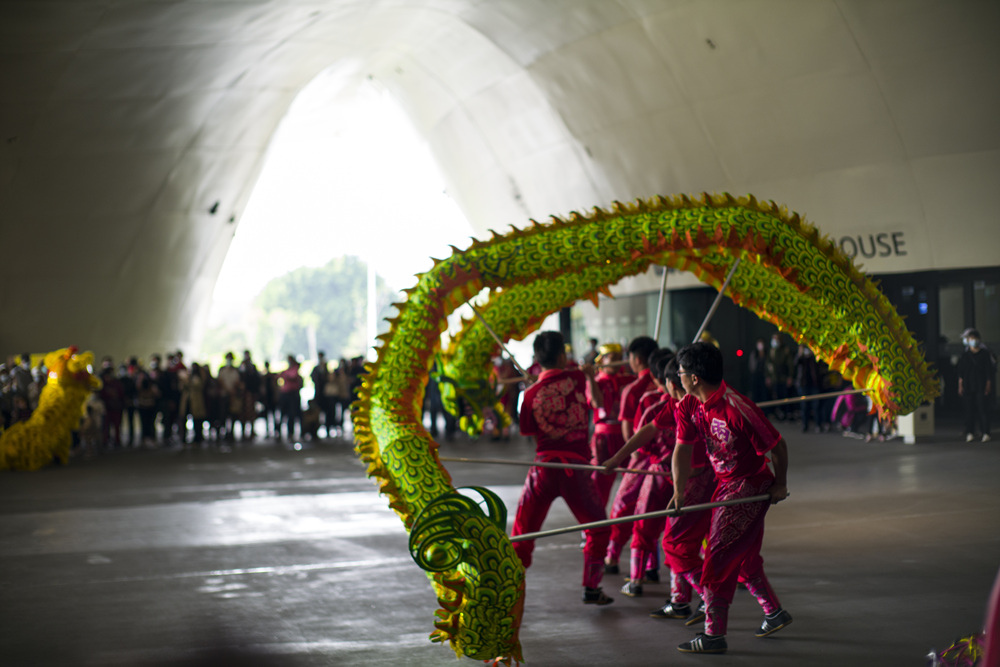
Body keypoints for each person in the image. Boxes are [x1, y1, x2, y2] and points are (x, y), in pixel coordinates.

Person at [669, 342, 791, 654]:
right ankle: (774, 612)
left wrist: (779, 484)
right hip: (725, 486)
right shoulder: (688, 406)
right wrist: (678, 490)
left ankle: (713, 636)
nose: (678, 378)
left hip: (748, 486)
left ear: (694, 378)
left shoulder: (737, 407)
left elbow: (777, 447)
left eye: (681, 373)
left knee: (717, 558)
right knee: (744, 557)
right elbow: (681, 449)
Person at [603, 354, 715, 614]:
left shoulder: (708, 406)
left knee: (674, 543)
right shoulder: (682, 405)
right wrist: (617, 457)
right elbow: (649, 430)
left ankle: (709, 598)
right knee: (679, 544)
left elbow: (678, 450)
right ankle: (682, 600)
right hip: (694, 480)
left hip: (693, 482)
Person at [510, 330, 614, 606]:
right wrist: (590, 374)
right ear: (562, 355)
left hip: (543, 469)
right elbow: (598, 404)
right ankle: (592, 587)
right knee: (599, 527)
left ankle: (510, 588)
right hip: (576, 471)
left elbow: (529, 433)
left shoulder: (530, 394)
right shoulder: (578, 378)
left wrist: (538, 388)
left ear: (537, 358)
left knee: (523, 533)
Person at [604, 335, 659, 574]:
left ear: (636, 359)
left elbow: (628, 431)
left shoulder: (634, 390)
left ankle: (613, 558)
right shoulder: (667, 383)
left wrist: (631, 454)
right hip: (672, 457)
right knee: (658, 512)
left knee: (623, 508)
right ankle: (652, 565)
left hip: (643, 458)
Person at [586, 343, 634, 506]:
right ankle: (594, 527)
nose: (617, 362)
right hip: (604, 437)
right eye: (613, 358)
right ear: (603, 360)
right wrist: (590, 378)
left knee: (633, 477)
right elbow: (596, 402)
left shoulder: (626, 379)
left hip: (625, 435)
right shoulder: (597, 381)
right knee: (600, 482)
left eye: (619, 358)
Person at [957, 328, 995, 442]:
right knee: (969, 409)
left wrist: (988, 384)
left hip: (981, 384)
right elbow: (961, 372)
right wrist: (960, 385)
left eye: (974, 338)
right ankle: (970, 432)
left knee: (982, 408)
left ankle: (986, 432)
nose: (972, 341)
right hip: (968, 385)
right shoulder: (965, 355)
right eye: (970, 339)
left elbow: (989, 371)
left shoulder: (984, 354)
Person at [765, 334, 794, 419]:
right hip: (775, 378)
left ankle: (787, 413)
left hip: (783, 378)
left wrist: (790, 376)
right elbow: (767, 365)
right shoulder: (771, 351)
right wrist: (768, 376)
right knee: (776, 396)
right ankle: (779, 413)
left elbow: (790, 365)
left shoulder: (785, 350)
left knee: (785, 396)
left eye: (776, 339)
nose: (775, 341)